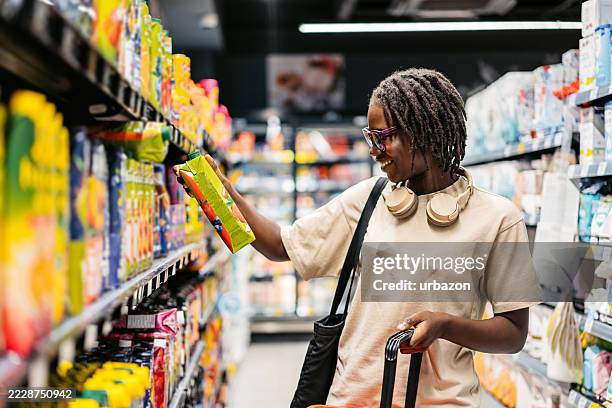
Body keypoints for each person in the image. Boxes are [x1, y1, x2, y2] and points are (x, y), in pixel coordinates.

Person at [184, 68, 541, 407]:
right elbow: (281, 245)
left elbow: (512, 332)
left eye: (383, 137)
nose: (374, 150)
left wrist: (446, 325)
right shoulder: (370, 200)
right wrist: (221, 190)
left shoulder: (498, 219)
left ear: (423, 131)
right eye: (371, 138)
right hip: (353, 397)